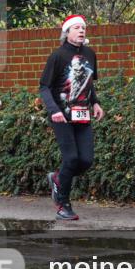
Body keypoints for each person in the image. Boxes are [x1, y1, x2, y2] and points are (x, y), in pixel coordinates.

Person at [39, 15, 104, 220]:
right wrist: (53, 110)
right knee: (71, 158)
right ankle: (63, 204)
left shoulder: (90, 54)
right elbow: (44, 86)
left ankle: (58, 178)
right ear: (67, 32)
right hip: (62, 115)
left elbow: (88, 83)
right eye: (76, 27)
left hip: (83, 113)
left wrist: (95, 102)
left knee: (86, 160)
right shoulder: (57, 56)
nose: (81, 30)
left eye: (83, 27)